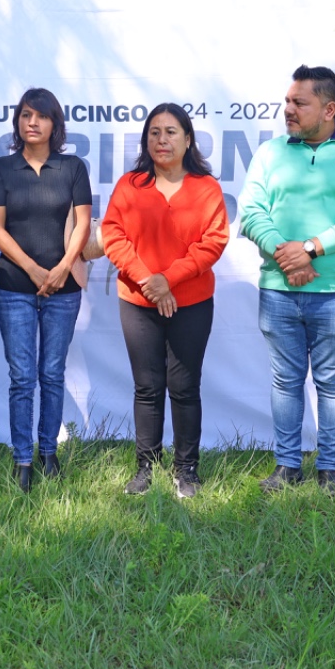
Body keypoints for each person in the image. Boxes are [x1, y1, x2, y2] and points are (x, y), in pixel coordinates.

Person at [238, 65, 335, 496]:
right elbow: (251, 213)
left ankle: (330, 469)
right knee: (285, 380)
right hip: (280, 290)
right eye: (287, 101)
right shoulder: (270, 153)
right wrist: (288, 253)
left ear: (329, 109)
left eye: (299, 103)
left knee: (333, 383)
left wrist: (311, 248)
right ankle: (287, 467)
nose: (288, 110)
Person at [101, 103, 228, 499]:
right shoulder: (130, 185)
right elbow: (112, 234)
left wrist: (167, 280)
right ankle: (146, 467)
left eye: (171, 132)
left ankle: (186, 469)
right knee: (148, 387)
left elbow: (213, 242)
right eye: (154, 132)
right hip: (138, 301)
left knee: (185, 386)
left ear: (188, 139)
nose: (162, 140)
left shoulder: (206, 188)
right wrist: (147, 280)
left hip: (190, 301)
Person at [0, 88, 93, 492]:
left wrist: (62, 267)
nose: (32, 122)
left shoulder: (72, 168)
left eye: (42, 116)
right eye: (26, 115)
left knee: (51, 373)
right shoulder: (2, 169)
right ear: (17, 121)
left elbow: (83, 224)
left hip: (64, 289)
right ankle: (22, 459)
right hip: (15, 287)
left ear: (54, 124)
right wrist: (33, 270)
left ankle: (49, 453)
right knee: (21, 376)